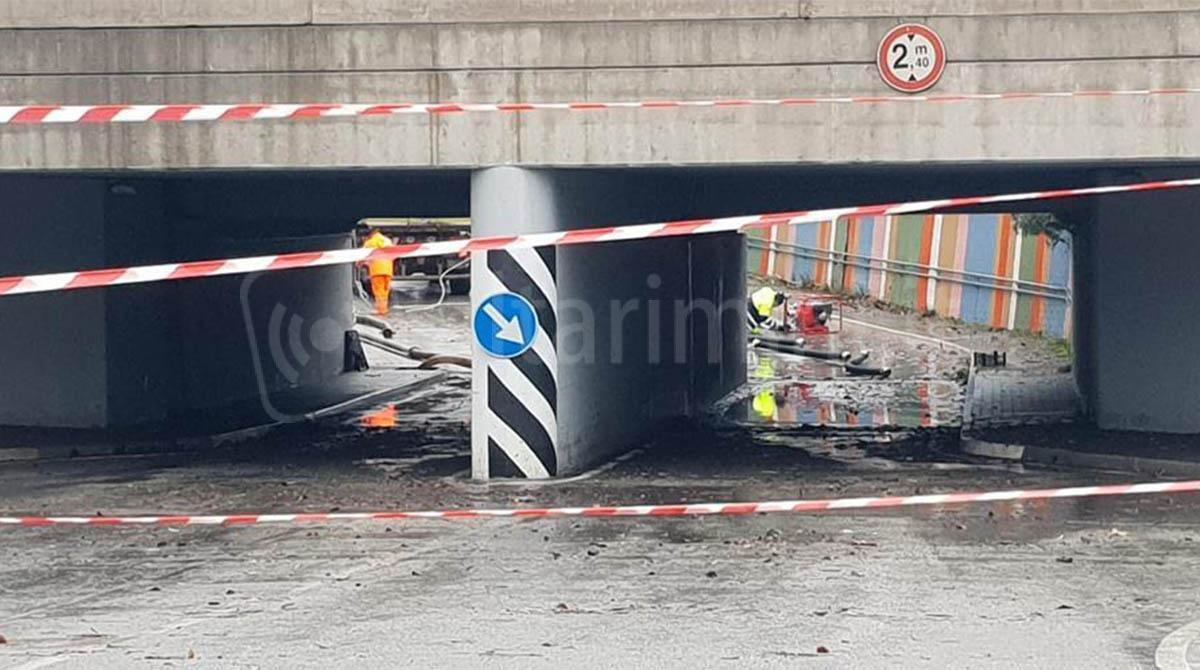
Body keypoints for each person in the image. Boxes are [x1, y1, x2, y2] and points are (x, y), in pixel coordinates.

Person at [360, 228, 396, 315]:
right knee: (385, 291)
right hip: (388, 269)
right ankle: (384, 309)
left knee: (379, 291)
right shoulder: (387, 241)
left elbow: (363, 256)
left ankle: (382, 311)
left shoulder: (369, 243)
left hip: (377, 270)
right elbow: (394, 253)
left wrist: (358, 264)